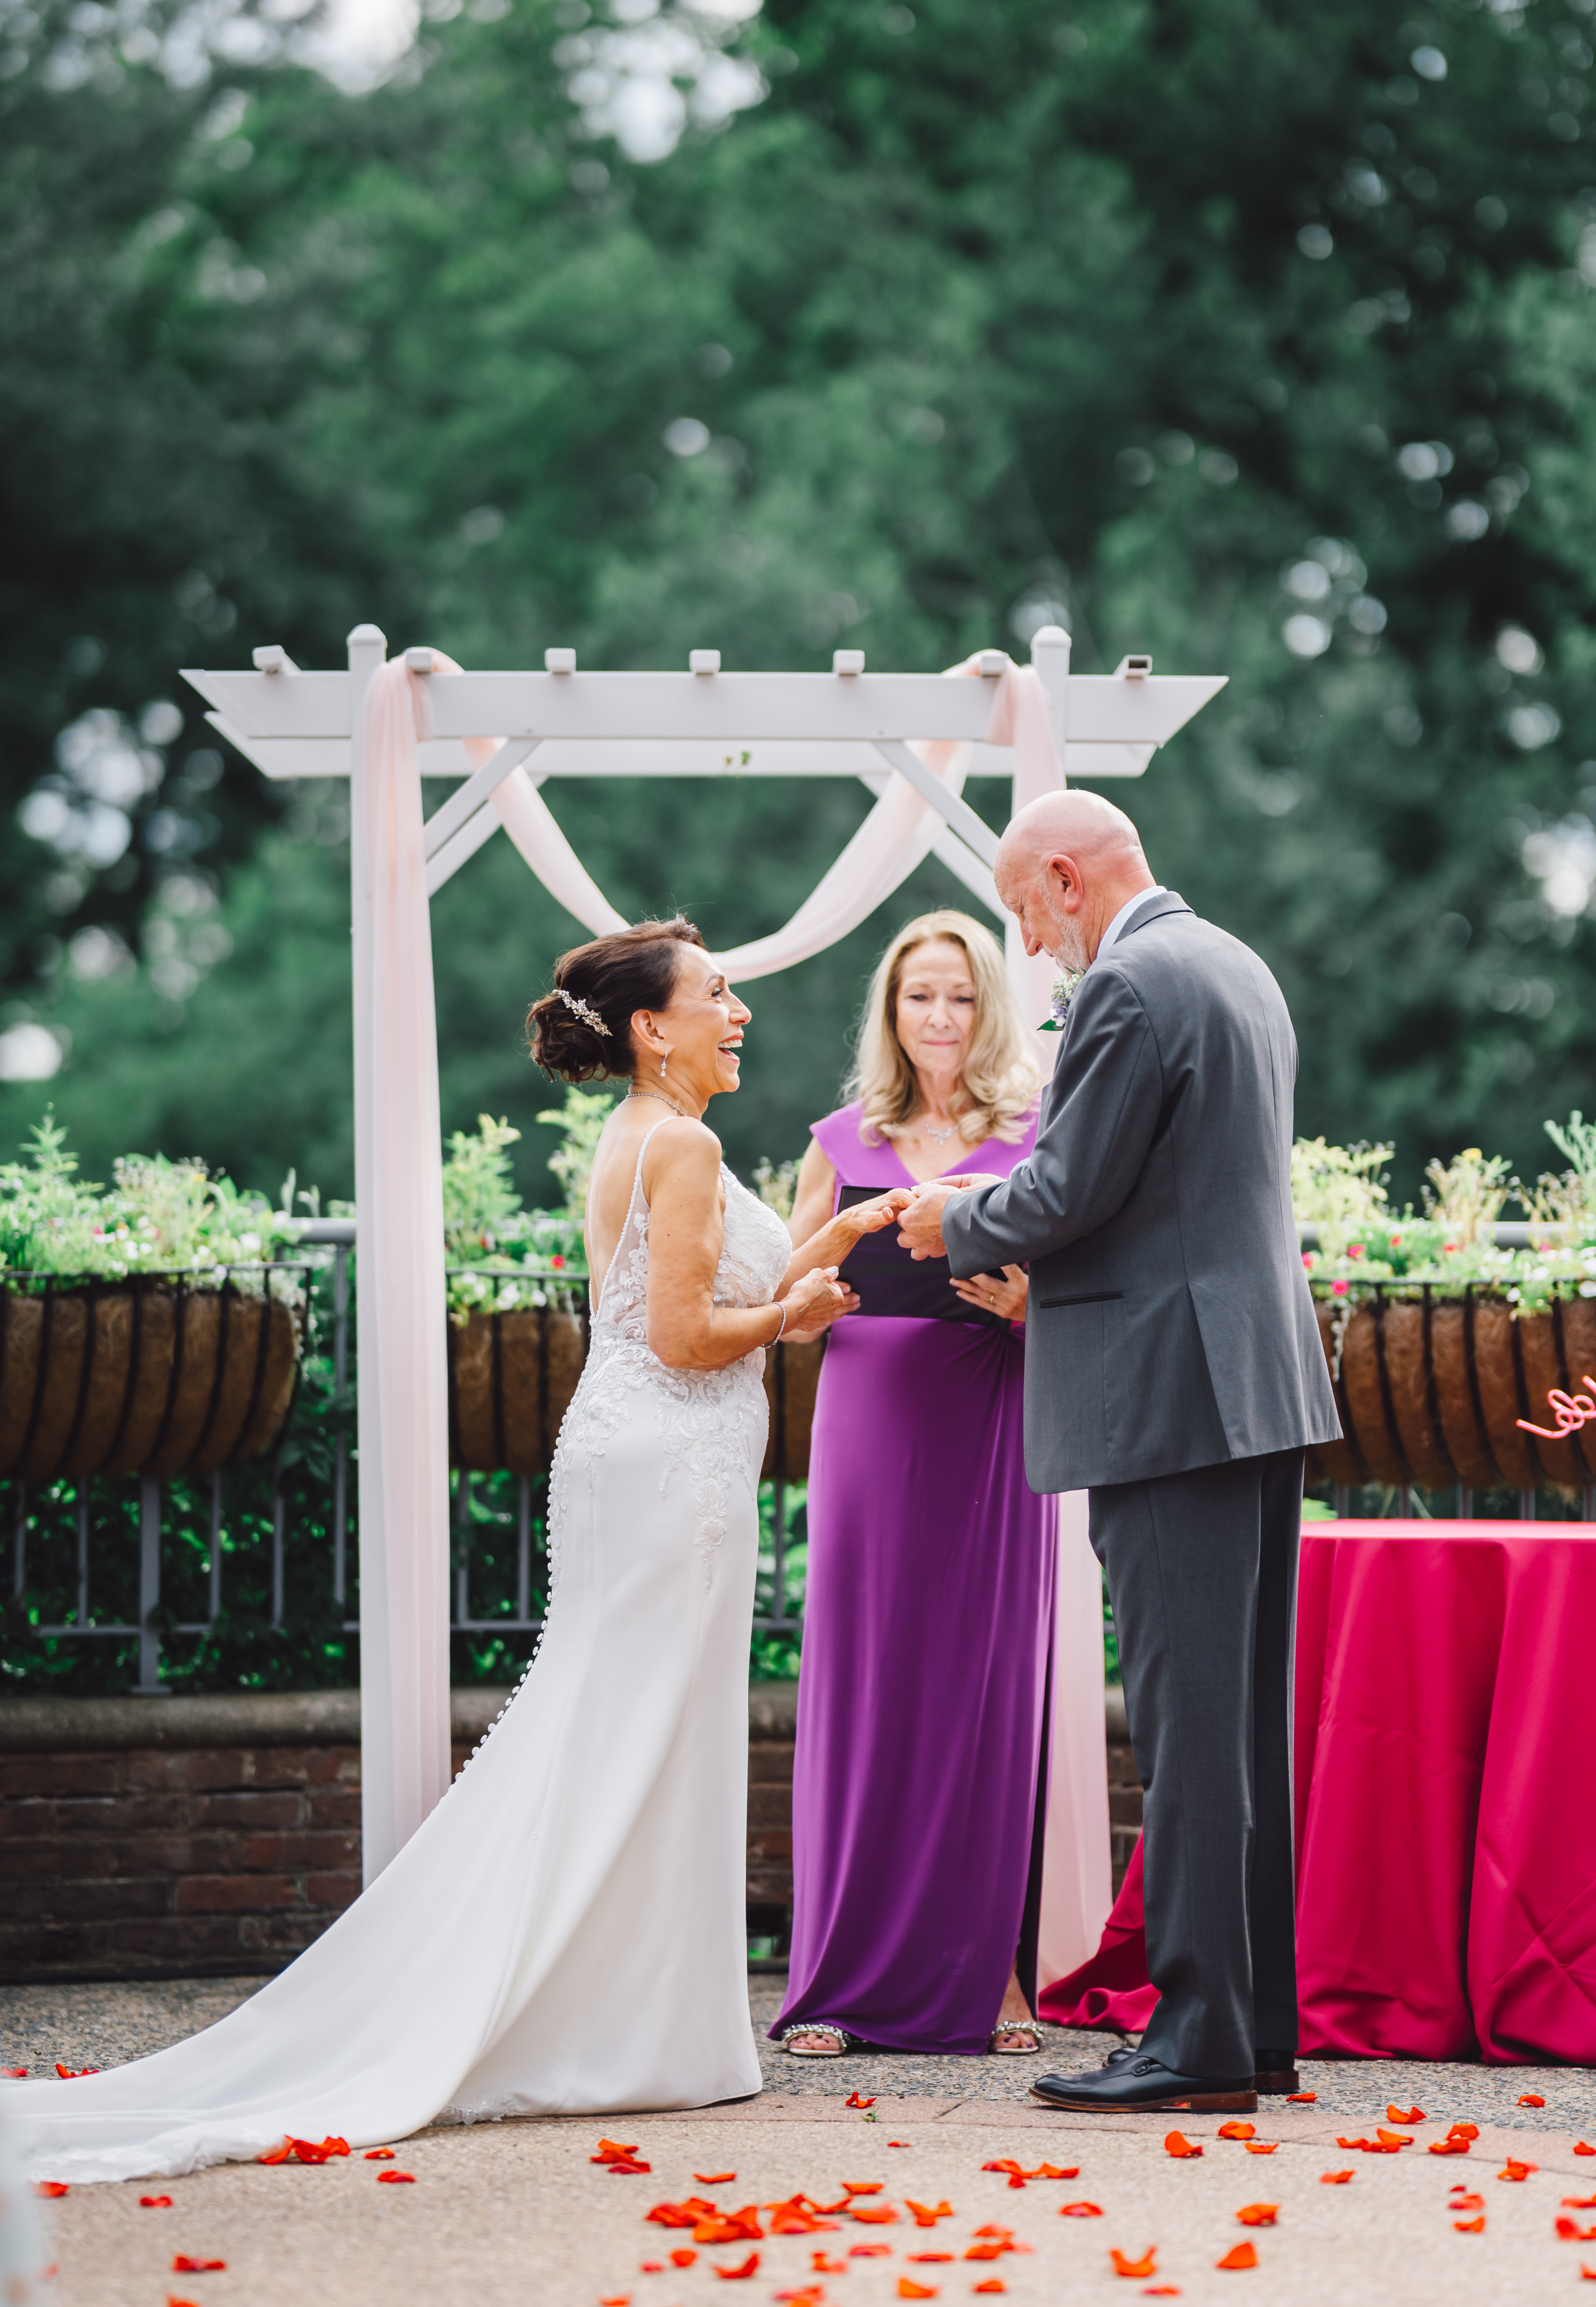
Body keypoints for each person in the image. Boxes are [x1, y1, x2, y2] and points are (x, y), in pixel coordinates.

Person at [13, 918, 910, 2183]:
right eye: (717, 995)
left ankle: (633, 2017)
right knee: (630, 1731)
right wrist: (794, 1316)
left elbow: (705, 1301)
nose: (737, 1011)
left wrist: (835, 1253)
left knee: (628, 1730)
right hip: (670, 1466)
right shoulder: (687, 1143)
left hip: (644, 1460)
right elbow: (685, 1339)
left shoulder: (644, 1137)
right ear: (653, 1030)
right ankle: (608, 2021)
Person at [897, 794, 1341, 2115]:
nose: (1029, 951)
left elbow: (1069, 1188)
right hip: (1249, 1386)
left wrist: (950, 1218)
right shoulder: (1234, 966)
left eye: (1026, 916)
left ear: (1064, 876)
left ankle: (1199, 2040)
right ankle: (1249, 2024)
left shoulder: (1132, 981)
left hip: (1169, 1391)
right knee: (1238, 1724)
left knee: (1191, 1725)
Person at [770, 909, 1059, 2059]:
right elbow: (782, 1292)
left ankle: (990, 1979)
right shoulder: (841, 1136)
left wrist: (1032, 1308)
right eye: (916, 997)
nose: (937, 1017)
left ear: (987, 1012)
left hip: (988, 1414)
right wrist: (840, 1262)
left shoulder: (1037, 1134)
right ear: (890, 1015)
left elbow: (1094, 1289)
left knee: (982, 1693)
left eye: (958, 997)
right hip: (867, 1421)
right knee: (867, 1691)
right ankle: (834, 1981)